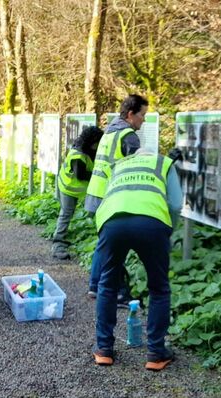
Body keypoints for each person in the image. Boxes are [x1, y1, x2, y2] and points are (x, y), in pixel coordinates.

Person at [92, 148, 182, 371]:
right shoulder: (163, 163)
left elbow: (106, 197)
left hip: (112, 221)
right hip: (152, 222)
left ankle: (104, 349)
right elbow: (176, 204)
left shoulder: (119, 165)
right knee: (159, 288)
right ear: (152, 154)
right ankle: (156, 353)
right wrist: (167, 230)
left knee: (107, 283)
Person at [84, 94, 149, 303]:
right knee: (116, 245)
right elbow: (137, 168)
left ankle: (95, 285)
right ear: (131, 114)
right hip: (111, 198)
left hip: (97, 194)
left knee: (105, 244)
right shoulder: (128, 136)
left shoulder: (110, 131)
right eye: (142, 115)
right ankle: (119, 291)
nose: (144, 120)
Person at [52, 126, 104, 260]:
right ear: (92, 141)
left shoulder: (83, 147)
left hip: (71, 186)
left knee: (67, 213)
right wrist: (98, 175)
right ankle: (58, 243)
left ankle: (62, 238)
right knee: (66, 214)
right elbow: (80, 175)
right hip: (68, 187)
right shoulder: (79, 155)